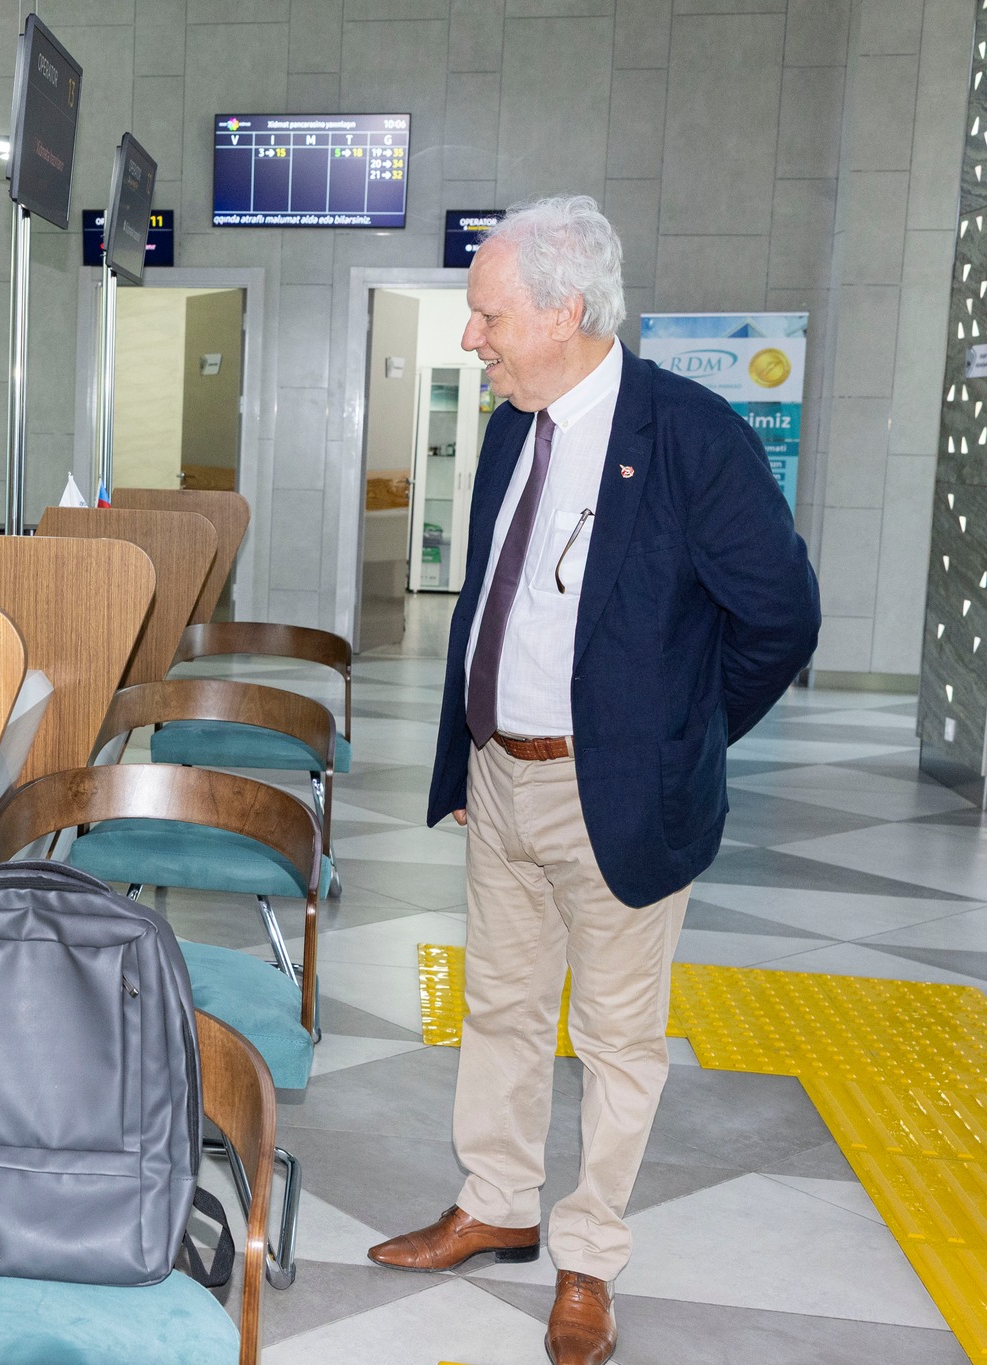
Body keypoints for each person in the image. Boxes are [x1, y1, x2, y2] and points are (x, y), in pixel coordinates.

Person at [364, 197, 820, 1365]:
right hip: (498, 779)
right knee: (500, 1009)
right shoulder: (510, 428)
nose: (470, 337)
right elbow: (488, 607)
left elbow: (778, 616)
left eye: (487, 315)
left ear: (564, 312)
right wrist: (465, 749)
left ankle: (588, 1256)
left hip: (613, 795)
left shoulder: (686, 437)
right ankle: (495, 1203)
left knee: (617, 1040)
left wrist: (678, 739)